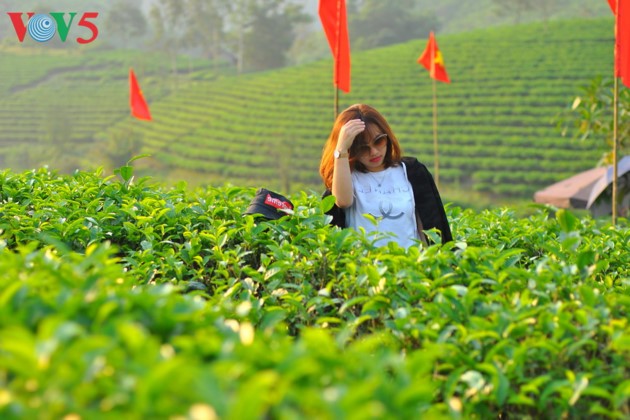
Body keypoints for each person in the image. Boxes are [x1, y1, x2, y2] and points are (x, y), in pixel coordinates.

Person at [320, 103, 452, 248]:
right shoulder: (347, 177)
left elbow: (428, 226)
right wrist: (341, 149)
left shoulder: (411, 171)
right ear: (351, 150)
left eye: (379, 141)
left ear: (387, 137)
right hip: (366, 267)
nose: (374, 152)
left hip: (410, 265)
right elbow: (342, 202)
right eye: (363, 148)